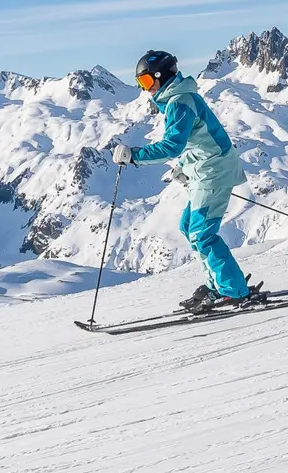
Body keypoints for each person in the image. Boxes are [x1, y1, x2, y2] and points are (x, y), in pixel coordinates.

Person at [110, 49, 261, 313]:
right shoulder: (178, 99)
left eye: (146, 82)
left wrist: (134, 155)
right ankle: (218, 284)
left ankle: (233, 291)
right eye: (140, 84)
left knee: (202, 234)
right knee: (189, 225)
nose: (145, 89)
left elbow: (172, 146)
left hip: (213, 172)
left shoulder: (179, 102)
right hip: (205, 169)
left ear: (162, 76)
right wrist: (185, 167)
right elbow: (200, 138)